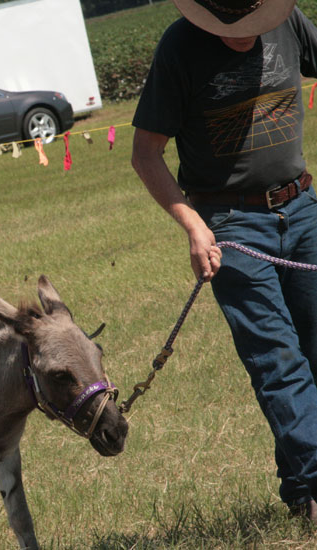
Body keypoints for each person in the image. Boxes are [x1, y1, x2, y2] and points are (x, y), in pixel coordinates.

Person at [131, 0, 317, 522]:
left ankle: (305, 492)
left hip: (302, 210)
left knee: (314, 353)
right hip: (230, 225)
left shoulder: (289, 19)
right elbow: (145, 152)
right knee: (278, 361)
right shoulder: (179, 48)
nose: (244, 34)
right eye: (230, 26)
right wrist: (194, 226)